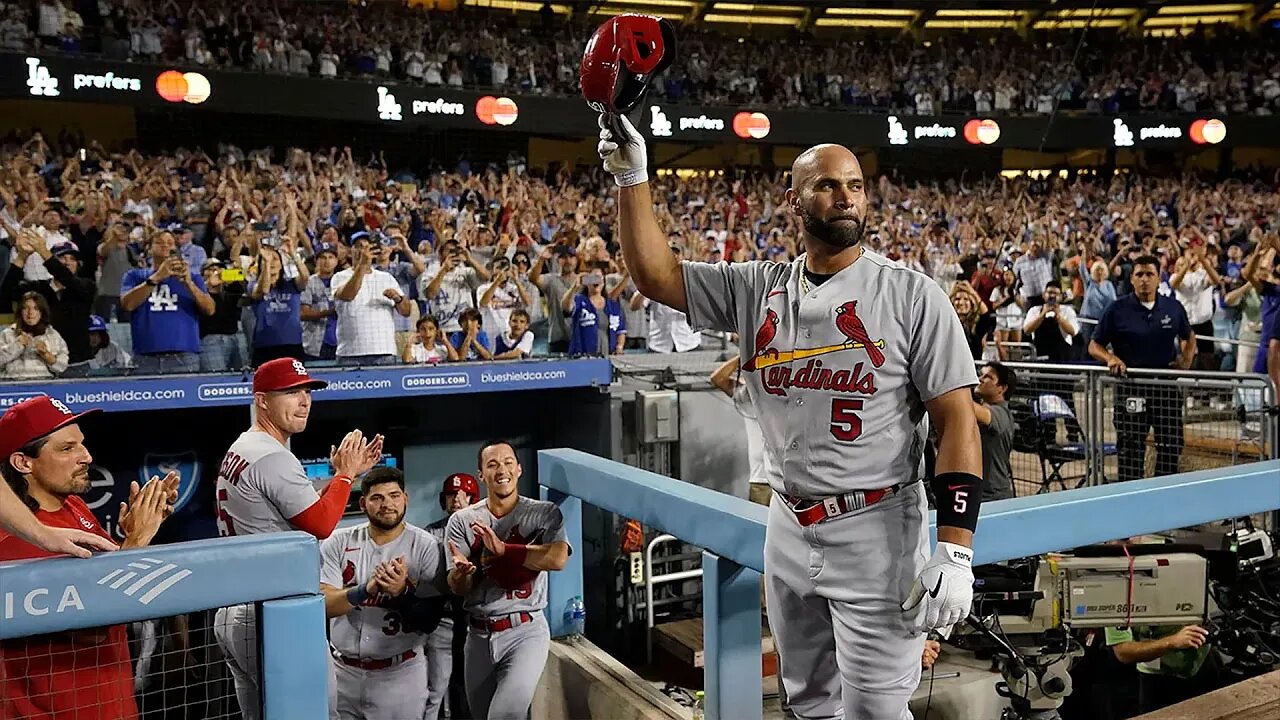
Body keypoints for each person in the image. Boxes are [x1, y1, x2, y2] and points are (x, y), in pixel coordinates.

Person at [599, 120, 982, 720]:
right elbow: (657, 275)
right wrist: (633, 177)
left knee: (879, 711)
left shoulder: (912, 295)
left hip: (877, 526)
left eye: (855, 185)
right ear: (793, 198)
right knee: (806, 703)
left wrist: (956, 550)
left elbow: (958, 421)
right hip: (787, 520)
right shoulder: (759, 287)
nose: (847, 197)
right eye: (828, 185)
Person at [212, 357, 385, 720]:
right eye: (291, 392)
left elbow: (290, 503)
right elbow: (320, 524)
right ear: (262, 400)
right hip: (273, 613)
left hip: (235, 607)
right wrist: (345, 476)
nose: (304, 400)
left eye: (307, 391)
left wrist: (341, 477)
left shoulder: (245, 446)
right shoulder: (273, 456)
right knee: (316, 713)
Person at [0, 396, 176, 720]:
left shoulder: (70, 506)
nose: (86, 457)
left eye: (82, 444)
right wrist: (138, 541)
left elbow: (106, 579)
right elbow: (92, 625)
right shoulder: (15, 543)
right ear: (23, 463)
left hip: (110, 703)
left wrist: (129, 536)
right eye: (67, 449)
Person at [445, 440, 570, 720]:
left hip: (525, 629)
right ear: (481, 475)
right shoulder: (462, 520)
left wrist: (505, 551)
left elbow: (558, 558)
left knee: (505, 716)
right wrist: (462, 573)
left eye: (508, 462)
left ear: (519, 468)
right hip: (478, 634)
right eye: (492, 464)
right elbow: (457, 586)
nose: (502, 469)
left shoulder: (544, 512)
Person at [320, 467, 448, 720]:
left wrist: (401, 593)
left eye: (394, 495)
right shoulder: (338, 541)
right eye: (377, 498)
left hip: (400, 675)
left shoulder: (425, 546)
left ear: (405, 499)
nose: (387, 504)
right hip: (343, 672)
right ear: (363, 503)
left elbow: (430, 620)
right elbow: (324, 605)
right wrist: (364, 591)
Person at [1088, 255, 1195, 482]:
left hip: (1165, 388)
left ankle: (1163, 498)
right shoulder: (1116, 309)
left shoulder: (1172, 307)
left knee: (1171, 445)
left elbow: (1188, 335)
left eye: (1150, 274)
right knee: (1130, 449)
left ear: (1159, 278)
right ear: (1132, 279)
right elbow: (1094, 344)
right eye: (1139, 275)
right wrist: (1110, 358)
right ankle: (1130, 504)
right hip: (1130, 388)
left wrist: (1186, 359)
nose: (1144, 280)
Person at [425, 473, 482, 720]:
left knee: (470, 689)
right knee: (435, 690)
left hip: (474, 620)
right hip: (443, 620)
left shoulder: (485, 529)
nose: (457, 500)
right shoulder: (432, 532)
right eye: (451, 495)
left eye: (463, 495)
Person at [119, 230, 216, 374]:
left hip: (184, 356)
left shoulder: (193, 277)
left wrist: (189, 284)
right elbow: (128, 304)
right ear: (149, 248)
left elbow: (210, 309)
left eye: (169, 242)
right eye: (159, 242)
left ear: (175, 249)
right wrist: (156, 278)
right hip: (145, 356)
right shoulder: (134, 275)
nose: (164, 245)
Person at [333, 233, 411, 366]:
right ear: (350, 251)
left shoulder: (386, 278)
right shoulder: (340, 277)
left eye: (366, 247)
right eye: (358, 247)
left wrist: (398, 299)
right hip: (350, 354)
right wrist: (362, 266)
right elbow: (348, 295)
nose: (362, 251)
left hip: (384, 352)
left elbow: (406, 311)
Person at [1106, 622, 1214, 714]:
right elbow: (1123, 651)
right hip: (1157, 678)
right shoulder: (1115, 597)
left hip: (1202, 663)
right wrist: (1171, 642)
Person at [248, 244, 309, 366]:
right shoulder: (253, 285)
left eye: (275, 259)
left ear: (282, 264)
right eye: (268, 260)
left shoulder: (291, 284)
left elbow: (305, 277)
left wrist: (293, 254)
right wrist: (266, 263)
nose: (272, 262)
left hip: (292, 344)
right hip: (264, 345)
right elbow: (264, 290)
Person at [972, 362, 1017, 501]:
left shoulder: (1001, 414)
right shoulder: (982, 410)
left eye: (988, 377)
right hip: (976, 493)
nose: (980, 379)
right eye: (981, 374)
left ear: (1002, 388)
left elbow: (965, 406)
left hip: (993, 498)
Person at [0, 291, 69, 379]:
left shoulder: (52, 335)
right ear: (20, 311)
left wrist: (46, 355)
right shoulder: (7, 334)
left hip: (44, 385)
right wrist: (16, 346)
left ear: (42, 312)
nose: (30, 313)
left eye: (36, 308)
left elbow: (62, 367)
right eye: (26, 308)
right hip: (13, 385)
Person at [564, 266, 626, 356]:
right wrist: (574, 287)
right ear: (587, 282)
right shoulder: (579, 300)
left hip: (607, 354)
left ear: (603, 282)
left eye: (599, 278)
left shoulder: (612, 305)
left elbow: (621, 330)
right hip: (582, 354)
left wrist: (619, 347)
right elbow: (566, 307)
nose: (596, 281)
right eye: (593, 278)